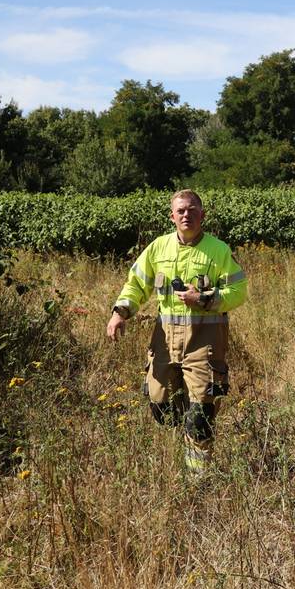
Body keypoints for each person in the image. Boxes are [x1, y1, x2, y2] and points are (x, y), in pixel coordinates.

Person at [106, 189, 248, 477]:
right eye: (181, 210)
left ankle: (197, 478)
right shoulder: (158, 248)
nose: (186, 215)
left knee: (201, 415)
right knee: (161, 405)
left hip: (204, 342)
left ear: (202, 215)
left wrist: (204, 298)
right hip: (165, 341)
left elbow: (238, 291)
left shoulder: (218, 250)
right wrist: (120, 312)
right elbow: (136, 285)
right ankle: (182, 444)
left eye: (192, 210)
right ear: (172, 216)